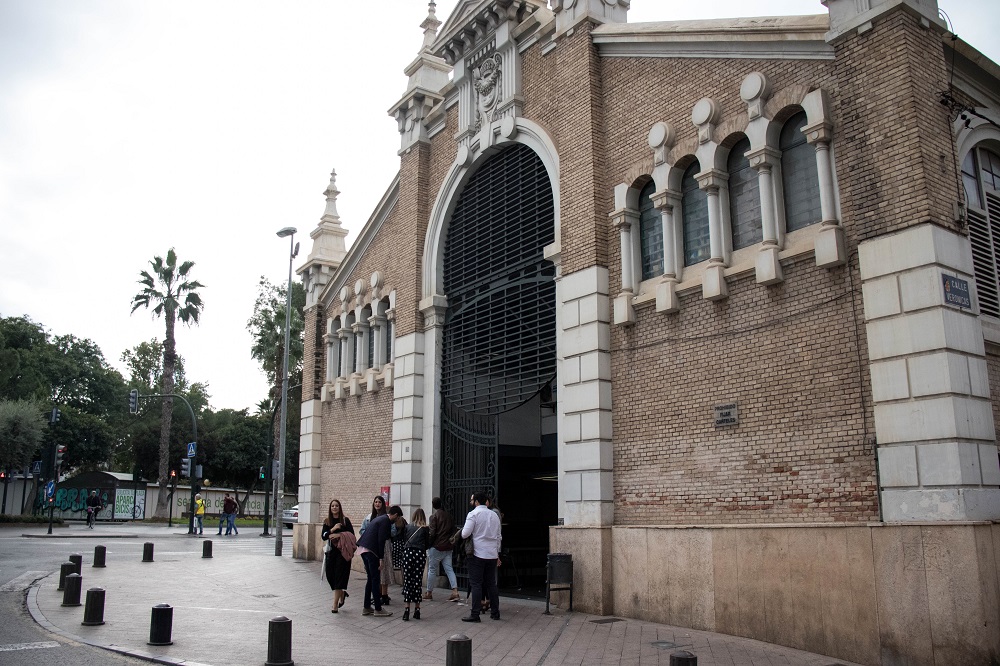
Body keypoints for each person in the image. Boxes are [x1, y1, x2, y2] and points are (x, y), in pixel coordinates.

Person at [460, 492, 501, 622]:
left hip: (478, 553)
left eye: (473, 501)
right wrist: (497, 553)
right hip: (492, 554)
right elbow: (499, 536)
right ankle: (495, 612)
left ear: (477, 502)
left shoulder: (473, 514)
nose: (471, 503)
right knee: (491, 584)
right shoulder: (494, 515)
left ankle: (475, 614)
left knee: (476, 584)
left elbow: (465, 533)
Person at [355, 503, 402, 618]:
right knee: (375, 580)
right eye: (399, 518)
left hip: (364, 549)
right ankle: (378, 608)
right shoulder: (385, 522)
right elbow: (381, 540)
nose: (398, 520)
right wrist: (381, 558)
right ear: (395, 515)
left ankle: (367, 607)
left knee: (370, 579)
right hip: (372, 551)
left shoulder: (381, 519)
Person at [321, 498, 356, 613]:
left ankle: (335, 605)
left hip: (343, 553)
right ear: (330, 509)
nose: (334, 508)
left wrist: (340, 535)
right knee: (331, 577)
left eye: (336, 506)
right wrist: (333, 529)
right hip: (331, 553)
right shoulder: (327, 521)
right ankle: (342, 592)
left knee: (339, 578)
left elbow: (352, 535)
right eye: (332, 506)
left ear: (340, 508)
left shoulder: (345, 521)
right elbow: (324, 536)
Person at [360, 495, 394, 606]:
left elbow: (392, 531)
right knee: (373, 575)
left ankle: (383, 594)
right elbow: (362, 530)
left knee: (383, 571)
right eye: (375, 502)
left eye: (379, 502)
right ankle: (375, 598)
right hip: (371, 547)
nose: (377, 504)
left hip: (383, 545)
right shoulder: (369, 517)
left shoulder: (386, 517)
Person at [424, 497, 460, 602]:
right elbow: (454, 530)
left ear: (433, 505)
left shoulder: (433, 517)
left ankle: (429, 592)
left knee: (432, 570)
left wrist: (428, 545)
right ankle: (455, 591)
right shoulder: (449, 516)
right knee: (449, 569)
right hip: (448, 546)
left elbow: (432, 533)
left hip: (436, 547)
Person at [400, 508, 429, 621]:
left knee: (407, 581)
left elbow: (404, 540)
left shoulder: (407, 527)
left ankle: (407, 609)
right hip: (419, 554)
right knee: (417, 581)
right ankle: (417, 609)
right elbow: (427, 544)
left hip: (408, 553)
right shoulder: (425, 529)